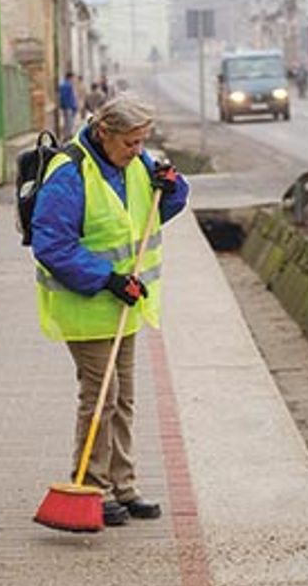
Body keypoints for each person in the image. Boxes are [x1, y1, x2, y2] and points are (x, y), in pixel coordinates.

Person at [30, 94, 190, 527]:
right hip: (86, 306)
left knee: (123, 398)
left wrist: (173, 187)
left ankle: (124, 484)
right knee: (100, 398)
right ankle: (91, 486)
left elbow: (160, 209)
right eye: (130, 143)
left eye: (142, 142)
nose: (137, 151)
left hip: (124, 304)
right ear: (104, 134)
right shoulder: (69, 173)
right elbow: (51, 245)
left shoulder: (135, 163)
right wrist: (106, 278)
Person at [58, 71, 78, 137]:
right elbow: (66, 97)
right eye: (73, 78)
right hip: (68, 106)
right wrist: (71, 106)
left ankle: (67, 135)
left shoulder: (64, 85)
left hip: (67, 106)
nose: (74, 80)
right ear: (70, 78)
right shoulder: (67, 85)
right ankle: (68, 135)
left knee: (67, 121)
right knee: (69, 122)